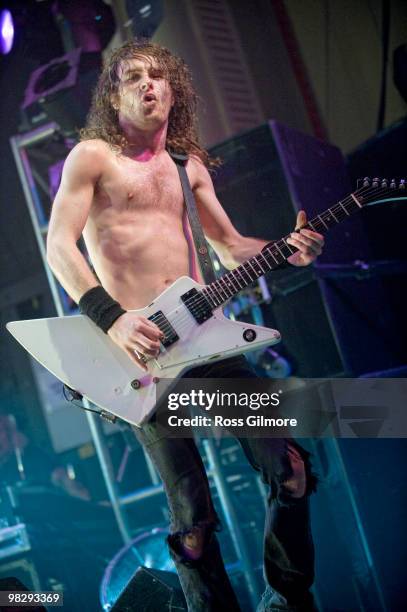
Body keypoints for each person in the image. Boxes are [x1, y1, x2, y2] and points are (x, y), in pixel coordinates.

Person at [46, 40, 324, 612]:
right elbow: (58, 247)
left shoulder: (187, 165)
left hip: (211, 346)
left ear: (175, 92)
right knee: (192, 524)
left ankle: (288, 598)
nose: (149, 84)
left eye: (159, 76)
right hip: (140, 359)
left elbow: (229, 247)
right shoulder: (92, 157)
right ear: (114, 94)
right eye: (134, 77)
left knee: (290, 469)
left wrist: (286, 248)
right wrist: (113, 319)